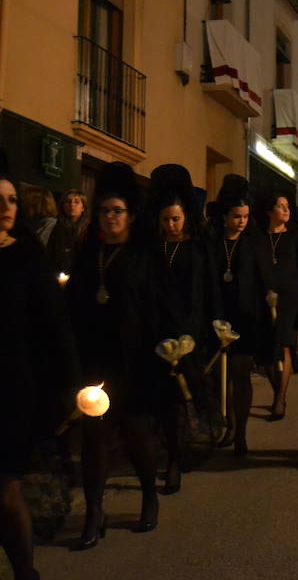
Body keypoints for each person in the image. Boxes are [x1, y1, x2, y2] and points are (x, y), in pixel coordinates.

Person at [67, 162, 184, 549]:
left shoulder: (145, 255)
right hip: (96, 360)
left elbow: (164, 305)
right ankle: (94, 512)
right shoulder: (89, 254)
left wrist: (170, 346)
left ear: (130, 216)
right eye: (104, 211)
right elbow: (74, 304)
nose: (109, 217)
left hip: (135, 361)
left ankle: (149, 495)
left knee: (137, 435)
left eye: (116, 211)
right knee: (93, 439)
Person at [0, 172, 78, 580]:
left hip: (11, 388)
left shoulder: (26, 256)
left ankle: (24, 570)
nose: (6, 207)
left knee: (5, 487)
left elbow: (54, 325)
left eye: (12, 200)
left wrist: (68, 384)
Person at [149, 163, 222, 493]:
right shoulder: (152, 249)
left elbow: (208, 292)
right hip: (156, 330)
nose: (171, 225)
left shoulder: (198, 248)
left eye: (175, 219)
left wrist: (207, 329)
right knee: (159, 399)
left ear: (186, 218)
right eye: (165, 220)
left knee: (183, 397)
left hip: (189, 334)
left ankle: (176, 459)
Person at [209, 178, 271, 457]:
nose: (242, 222)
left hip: (246, 318)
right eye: (236, 216)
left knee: (240, 374)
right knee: (220, 377)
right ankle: (229, 426)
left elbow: (263, 279)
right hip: (218, 315)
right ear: (224, 217)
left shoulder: (254, 243)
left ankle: (241, 432)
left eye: (245, 216)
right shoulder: (212, 244)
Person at [257, 190, 298, 422]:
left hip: (288, 298)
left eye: (288, 206)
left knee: (284, 344)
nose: (286, 210)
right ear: (269, 211)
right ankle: (278, 391)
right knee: (267, 349)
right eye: (280, 205)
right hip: (263, 297)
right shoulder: (258, 238)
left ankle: (280, 399)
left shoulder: (294, 237)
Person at [47, 189, 89, 274]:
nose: (71, 205)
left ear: (83, 208)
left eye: (76, 202)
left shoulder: (89, 229)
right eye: (68, 202)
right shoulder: (56, 227)